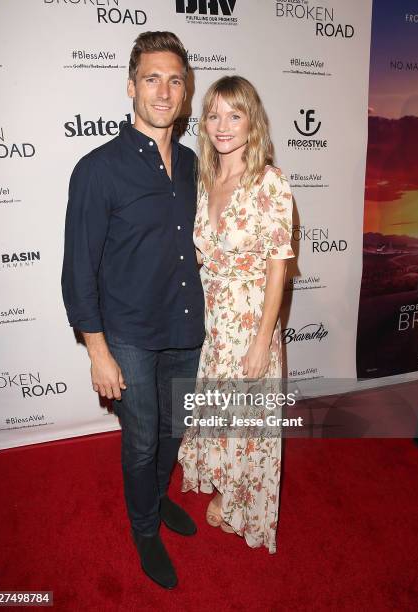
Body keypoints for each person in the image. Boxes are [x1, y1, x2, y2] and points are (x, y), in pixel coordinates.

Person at [61, 31, 205, 589]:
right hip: (127, 332)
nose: (164, 91)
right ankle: (144, 527)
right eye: (152, 79)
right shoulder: (97, 169)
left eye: (174, 79)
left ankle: (159, 495)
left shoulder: (194, 165)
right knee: (142, 437)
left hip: (184, 325)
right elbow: (78, 270)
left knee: (174, 427)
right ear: (131, 87)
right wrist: (97, 351)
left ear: (186, 89)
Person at [178, 75, 295, 554]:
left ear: (252, 122)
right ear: (203, 123)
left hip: (249, 322)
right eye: (213, 115)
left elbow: (277, 266)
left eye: (234, 114)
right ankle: (225, 481)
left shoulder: (269, 182)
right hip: (213, 320)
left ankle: (241, 498)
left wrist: (262, 339)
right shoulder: (206, 180)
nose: (222, 125)